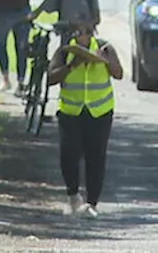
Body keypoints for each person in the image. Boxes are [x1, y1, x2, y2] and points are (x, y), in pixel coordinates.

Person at [46, 21, 124, 218]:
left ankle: (92, 203)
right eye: (78, 33)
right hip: (71, 111)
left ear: (92, 34)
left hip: (100, 111)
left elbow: (119, 73)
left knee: (96, 157)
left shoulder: (104, 48)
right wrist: (72, 65)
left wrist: (105, 61)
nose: (82, 37)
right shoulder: (65, 51)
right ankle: (73, 196)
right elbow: (51, 77)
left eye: (86, 33)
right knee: (69, 154)